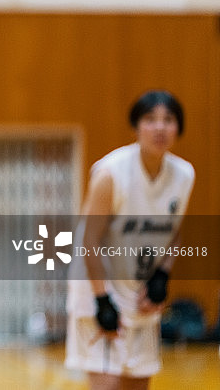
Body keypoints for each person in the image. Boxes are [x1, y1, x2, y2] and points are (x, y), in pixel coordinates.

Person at [65, 90, 195, 390]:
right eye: (150, 119)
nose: (160, 127)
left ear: (179, 128)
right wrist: (102, 301)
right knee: (109, 384)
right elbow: (89, 240)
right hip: (99, 285)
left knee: (138, 384)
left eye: (168, 120)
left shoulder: (184, 175)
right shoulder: (111, 174)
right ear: (136, 127)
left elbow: (175, 230)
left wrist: (163, 274)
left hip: (140, 288)